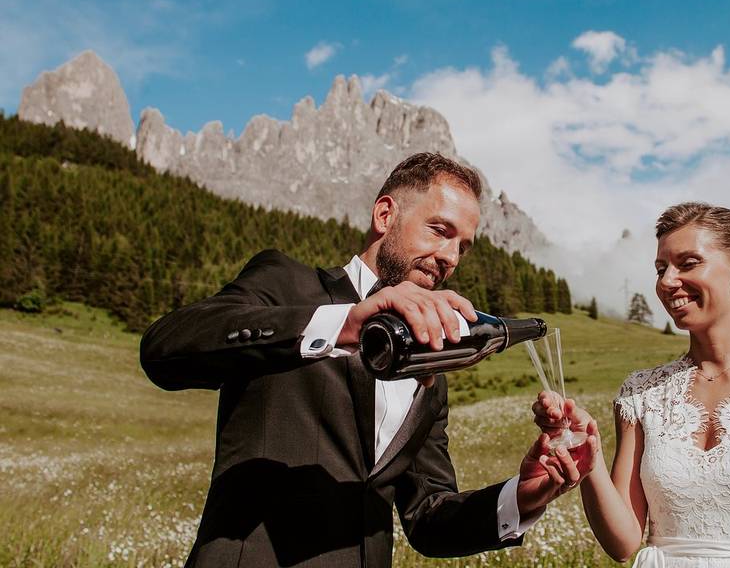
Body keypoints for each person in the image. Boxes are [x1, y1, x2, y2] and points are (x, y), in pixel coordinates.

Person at [141, 153, 595, 567]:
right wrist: (345, 325)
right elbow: (166, 350)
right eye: (439, 230)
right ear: (385, 215)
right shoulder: (287, 284)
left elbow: (428, 518)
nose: (450, 258)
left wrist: (524, 496)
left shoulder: (431, 369)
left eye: (464, 246)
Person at [534, 202, 730, 567]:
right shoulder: (640, 395)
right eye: (661, 268)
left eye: (688, 264)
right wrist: (588, 459)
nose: (667, 281)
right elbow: (623, 543)